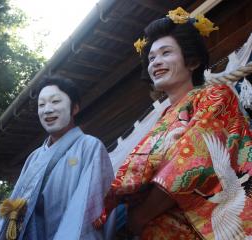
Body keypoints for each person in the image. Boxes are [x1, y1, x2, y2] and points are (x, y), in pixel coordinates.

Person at [93, 7, 252, 239]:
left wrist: (142, 215)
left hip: (193, 226)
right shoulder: (165, 116)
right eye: (151, 58)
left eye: (166, 53)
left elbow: (193, 159)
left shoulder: (215, 96)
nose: (156, 62)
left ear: (193, 61)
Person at [0, 77, 115, 240]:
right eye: (41, 105)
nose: (47, 110)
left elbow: (88, 212)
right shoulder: (34, 157)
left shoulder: (90, 147)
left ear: (74, 108)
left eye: (55, 101)